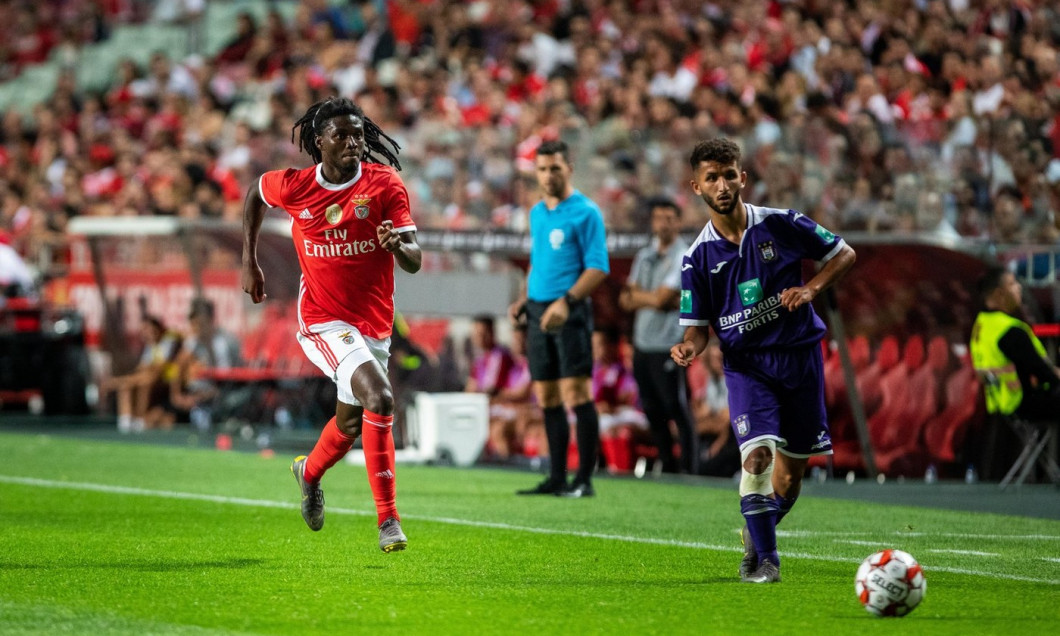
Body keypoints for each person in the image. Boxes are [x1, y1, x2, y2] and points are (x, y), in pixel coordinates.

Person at [240, 96, 422, 553]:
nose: (353, 142)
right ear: (318, 142)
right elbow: (255, 194)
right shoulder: (296, 186)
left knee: (350, 425)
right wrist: (251, 260)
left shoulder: (384, 185)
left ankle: (309, 472)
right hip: (323, 319)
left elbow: (415, 260)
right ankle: (388, 521)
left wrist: (396, 245)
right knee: (380, 395)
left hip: (373, 322)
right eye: (341, 134)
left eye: (359, 134)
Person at [670, 138, 856, 583]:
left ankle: (757, 534)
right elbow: (697, 329)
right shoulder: (697, 258)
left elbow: (843, 254)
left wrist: (811, 290)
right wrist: (689, 348)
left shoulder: (782, 223)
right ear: (696, 187)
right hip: (747, 365)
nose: (722, 184)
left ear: (743, 178)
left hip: (800, 357)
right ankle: (765, 562)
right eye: (711, 178)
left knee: (789, 479)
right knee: (756, 458)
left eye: (728, 174)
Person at [508, 139, 610, 498]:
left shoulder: (586, 212)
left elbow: (598, 267)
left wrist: (566, 302)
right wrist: (524, 299)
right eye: (542, 169)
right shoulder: (537, 213)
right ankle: (556, 477)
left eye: (555, 168)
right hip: (538, 310)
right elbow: (538, 261)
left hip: (570, 310)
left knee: (576, 393)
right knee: (547, 395)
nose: (548, 175)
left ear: (569, 168)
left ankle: (584, 479)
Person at [619, 196, 697, 474]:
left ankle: (690, 469)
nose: (663, 224)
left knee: (675, 407)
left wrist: (644, 297)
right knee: (651, 409)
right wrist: (651, 298)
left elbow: (664, 298)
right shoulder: (644, 255)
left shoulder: (683, 255)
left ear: (678, 222)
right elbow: (625, 299)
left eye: (669, 218)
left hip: (668, 344)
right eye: (658, 218)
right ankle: (668, 464)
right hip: (643, 343)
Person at [969, 266, 1060, 480]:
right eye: (1012, 284)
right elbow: (1043, 373)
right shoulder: (1009, 330)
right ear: (998, 293)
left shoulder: (981, 325)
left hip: (1001, 405)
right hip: (1024, 402)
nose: (1019, 288)